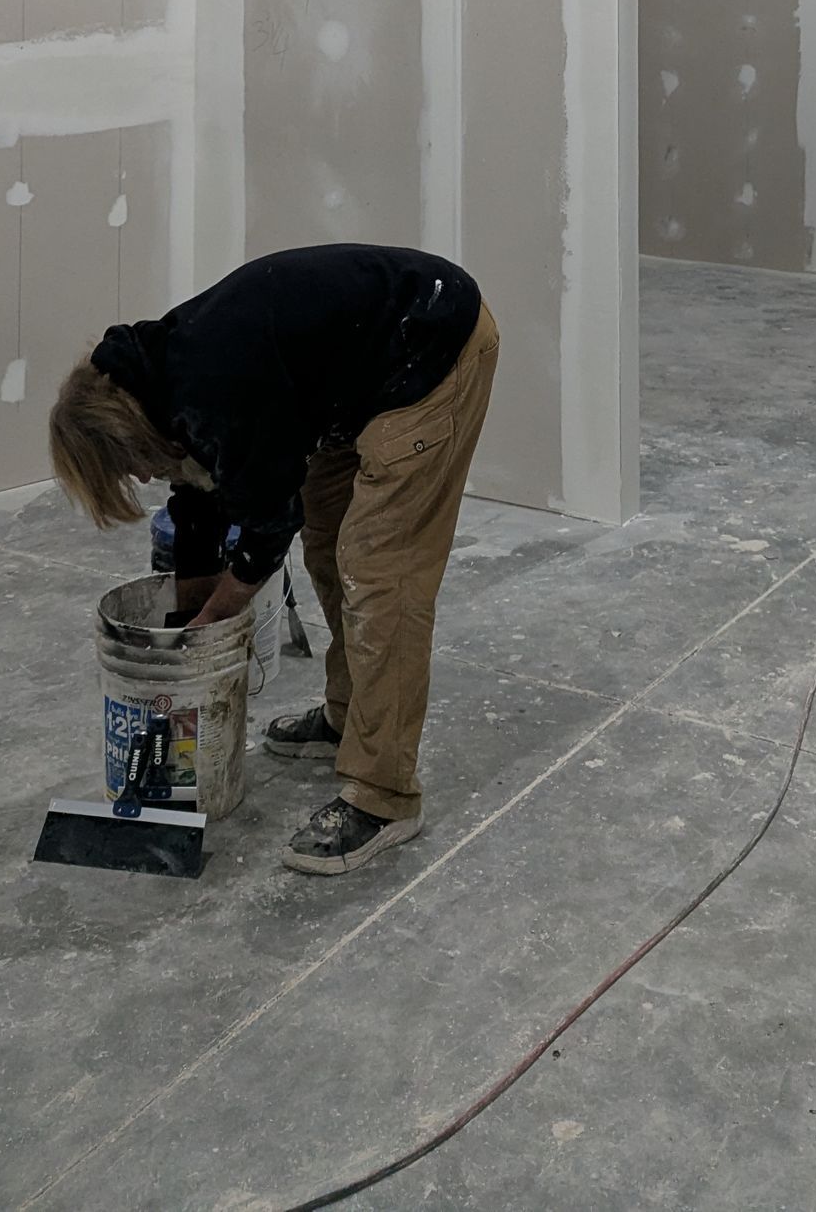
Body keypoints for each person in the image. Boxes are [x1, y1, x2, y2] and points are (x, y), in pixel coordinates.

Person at [48, 243, 499, 876]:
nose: (141, 475)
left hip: (428, 352)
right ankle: (348, 719)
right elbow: (200, 502)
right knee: (328, 546)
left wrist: (210, 628)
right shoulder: (156, 383)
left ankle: (384, 795)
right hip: (353, 381)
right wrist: (184, 626)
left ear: (125, 433)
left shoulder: (212, 383)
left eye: (129, 465)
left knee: (380, 574)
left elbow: (266, 524)